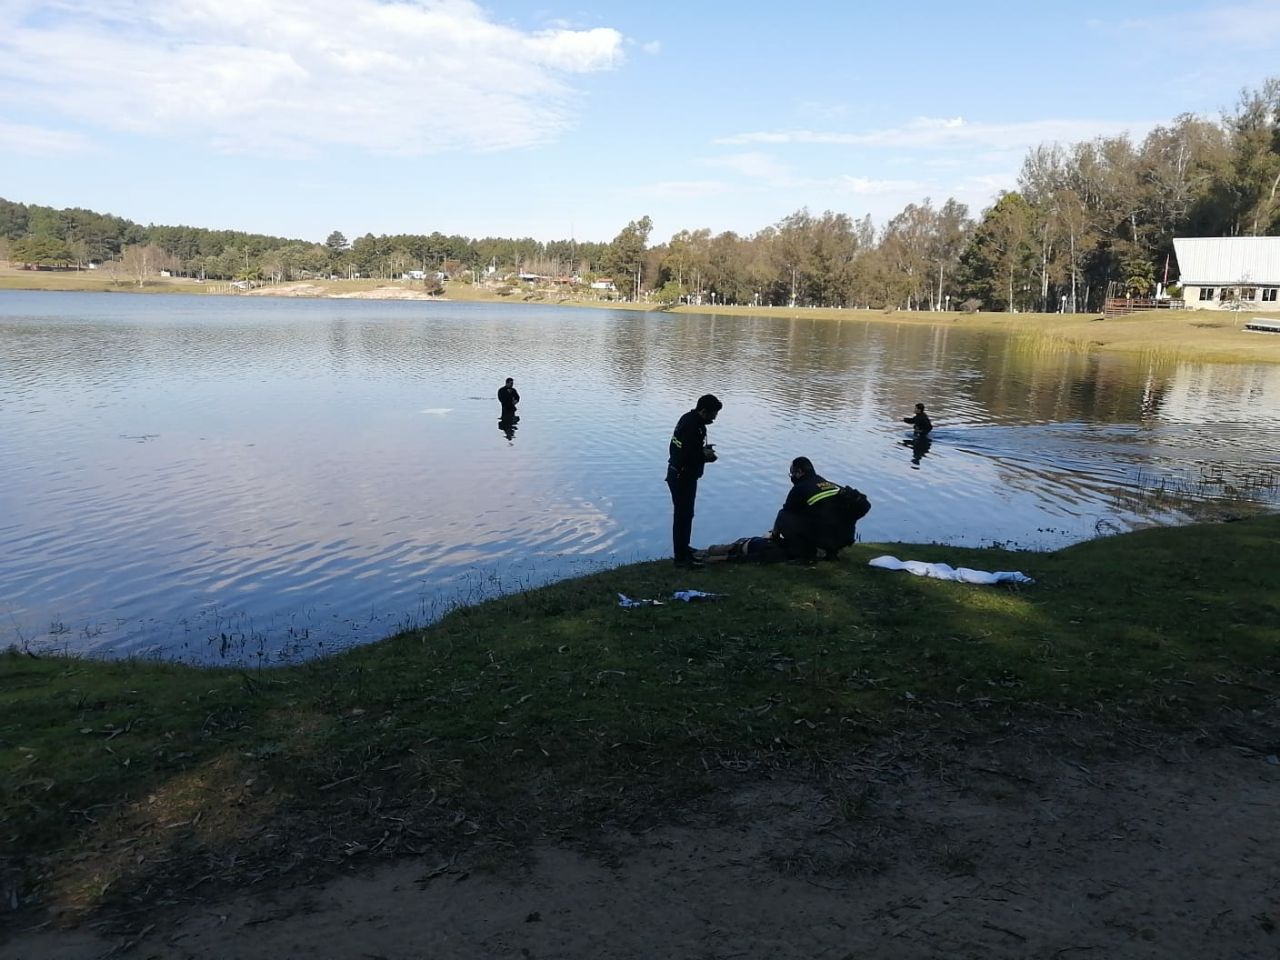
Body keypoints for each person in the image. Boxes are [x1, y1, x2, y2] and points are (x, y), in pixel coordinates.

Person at [772, 457, 869, 561]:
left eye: (792, 474)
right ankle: (831, 551)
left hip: (825, 539)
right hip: (845, 538)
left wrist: (774, 536)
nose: (791, 477)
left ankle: (806, 552)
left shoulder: (799, 488)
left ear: (799, 472)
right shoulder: (830, 484)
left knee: (783, 516)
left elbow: (785, 513)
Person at [666, 393, 722, 568]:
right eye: (712, 415)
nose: (714, 419)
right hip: (681, 477)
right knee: (682, 516)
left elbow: (685, 449)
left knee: (686, 515)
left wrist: (702, 450)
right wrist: (705, 456)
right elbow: (686, 455)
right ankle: (681, 558)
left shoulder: (689, 420)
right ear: (703, 411)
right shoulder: (692, 426)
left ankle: (684, 549)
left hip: (682, 475)